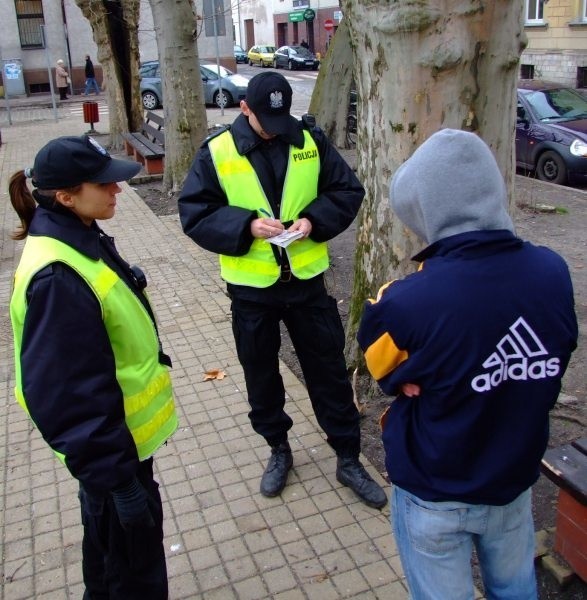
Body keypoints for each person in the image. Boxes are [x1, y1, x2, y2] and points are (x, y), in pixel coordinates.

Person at [357, 129, 578, 599]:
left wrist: (426, 374)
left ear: (424, 212)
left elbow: (382, 371)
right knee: (516, 590)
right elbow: (556, 355)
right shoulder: (553, 273)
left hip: (436, 490)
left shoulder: (407, 303)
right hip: (513, 479)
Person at [178, 71, 386, 509]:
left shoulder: (309, 139)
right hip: (252, 292)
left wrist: (313, 219)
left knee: (327, 372)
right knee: (261, 375)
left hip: (307, 285)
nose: (275, 129)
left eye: (281, 118)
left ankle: (348, 457)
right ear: (245, 109)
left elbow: (347, 189)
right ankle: (278, 448)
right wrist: (247, 226)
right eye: (265, 120)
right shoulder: (216, 151)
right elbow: (194, 213)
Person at [9, 135, 178, 599]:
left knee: (112, 569)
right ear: (65, 196)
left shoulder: (77, 234)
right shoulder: (58, 277)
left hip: (119, 455)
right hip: (113, 463)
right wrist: (118, 481)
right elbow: (68, 395)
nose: (116, 191)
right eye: (103, 184)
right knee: (131, 580)